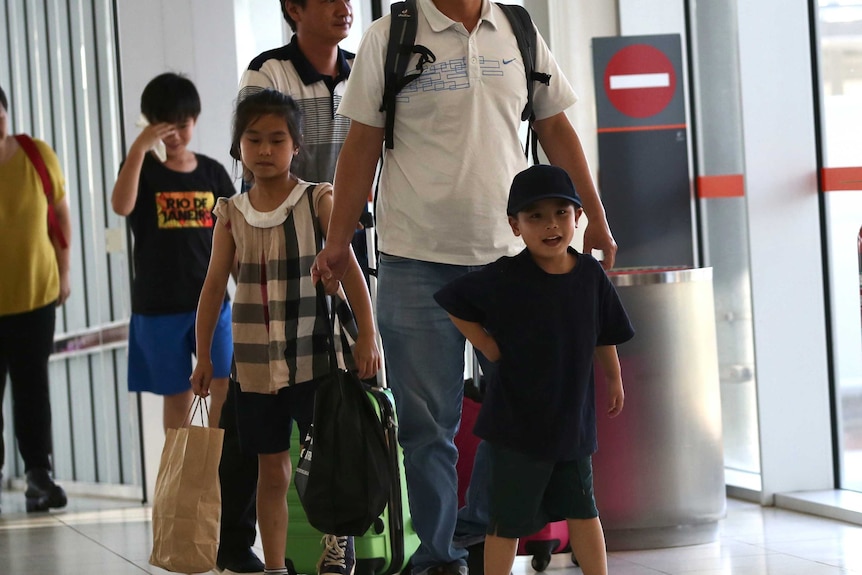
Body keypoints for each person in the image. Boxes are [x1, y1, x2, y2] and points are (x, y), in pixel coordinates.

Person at [312, 2, 618, 574]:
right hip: (413, 260)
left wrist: (594, 216)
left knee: (527, 413)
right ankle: (441, 554)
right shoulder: (391, 35)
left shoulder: (518, 29)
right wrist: (336, 242)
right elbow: (361, 145)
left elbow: (554, 127)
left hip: (513, 265)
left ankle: (482, 527)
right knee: (428, 427)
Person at [191, 89, 380, 575]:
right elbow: (213, 288)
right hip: (253, 369)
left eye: (277, 139)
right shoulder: (230, 214)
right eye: (254, 140)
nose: (265, 150)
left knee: (329, 459)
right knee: (269, 470)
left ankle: (338, 546)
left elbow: (351, 269)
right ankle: (275, 566)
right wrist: (204, 357)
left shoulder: (318, 200)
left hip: (314, 360)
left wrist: (368, 336)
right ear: (239, 147)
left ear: (296, 145)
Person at [433, 165, 634, 575]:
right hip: (516, 429)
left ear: (578, 217)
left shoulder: (590, 276)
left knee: (583, 510)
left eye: (561, 212)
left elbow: (603, 332)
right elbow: (453, 299)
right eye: (535, 216)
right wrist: (486, 344)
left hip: (572, 427)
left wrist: (613, 377)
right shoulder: (507, 276)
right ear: (515, 225)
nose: (551, 225)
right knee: (506, 520)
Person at [220, 2, 359, 572]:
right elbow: (256, 140)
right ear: (293, 10)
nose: (344, 8)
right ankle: (238, 545)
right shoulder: (269, 70)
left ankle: (342, 538)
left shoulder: (360, 72)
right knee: (256, 445)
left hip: (336, 242)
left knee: (337, 420)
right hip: (275, 258)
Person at [111, 73, 235, 432]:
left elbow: (234, 238)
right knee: (178, 395)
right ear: (151, 125)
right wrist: (138, 148)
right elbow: (121, 206)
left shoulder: (211, 173)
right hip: (159, 305)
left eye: (183, 126)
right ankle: (183, 478)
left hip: (211, 303)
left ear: (195, 121)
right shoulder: (143, 170)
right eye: (165, 128)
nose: (176, 136)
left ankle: (219, 466)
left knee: (224, 382)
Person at [0, 85, 72, 513]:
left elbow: (61, 214)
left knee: (32, 388)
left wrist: (64, 273)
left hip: (35, 294)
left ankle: (38, 475)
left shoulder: (35, 154)